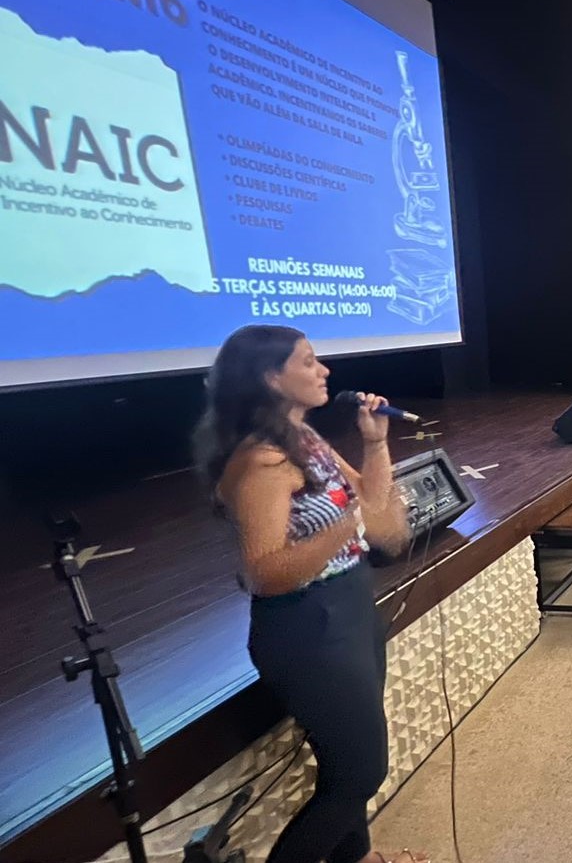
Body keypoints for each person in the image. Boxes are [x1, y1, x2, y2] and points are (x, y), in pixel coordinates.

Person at [193, 326, 417, 863]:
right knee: (362, 774)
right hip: (305, 626)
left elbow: (381, 518)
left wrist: (374, 443)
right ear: (272, 378)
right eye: (310, 362)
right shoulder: (262, 462)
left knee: (347, 768)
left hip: (350, 605)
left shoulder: (307, 440)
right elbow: (265, 572)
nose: (326, 372)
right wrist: (348, 524)